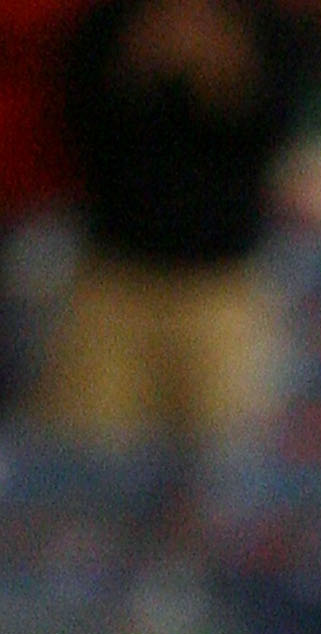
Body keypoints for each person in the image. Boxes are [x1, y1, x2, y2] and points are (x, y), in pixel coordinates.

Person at [46, 0, 298, 444]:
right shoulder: (112, 20)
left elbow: (274, 131)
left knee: (230, 465)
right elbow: (78, 129)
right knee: (90, 457)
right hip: (116, 276)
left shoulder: (259, 23)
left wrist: (221, 73)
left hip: (222, 282)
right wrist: (139, 63)